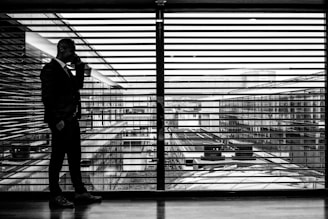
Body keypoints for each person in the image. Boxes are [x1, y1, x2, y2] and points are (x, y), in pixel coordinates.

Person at [40, 38, 102, 209]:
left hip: (71, 120)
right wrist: (56, 120)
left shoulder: (66, 70)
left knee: (75, 157)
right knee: (57, 159)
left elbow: (78, 85)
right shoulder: (50, 69)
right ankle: (55, 195)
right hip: (61, 122)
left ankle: (80, 191)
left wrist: (79, 64)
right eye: (72, 51)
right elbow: (47, 97)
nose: (74, 54)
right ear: (62, 48)